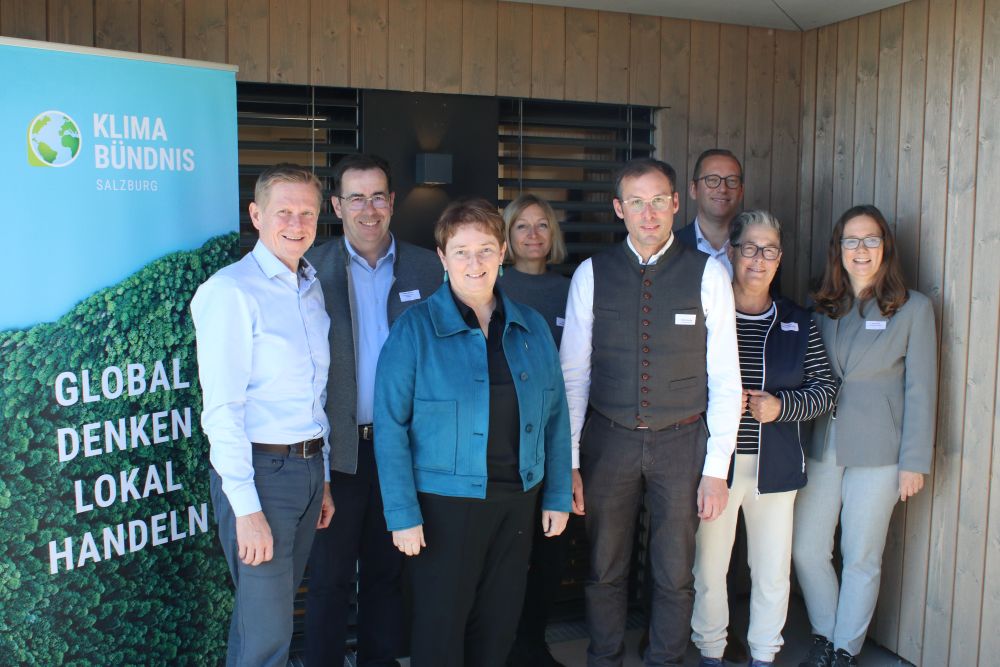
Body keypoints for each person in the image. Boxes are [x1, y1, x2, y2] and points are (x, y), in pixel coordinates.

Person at [374, 198, 572, 667]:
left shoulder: (532, 327)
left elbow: (556, 417)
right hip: (443, 507)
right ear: (442, 258)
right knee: (440, 633)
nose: (474, 262)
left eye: (485, 249)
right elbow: (389, 427)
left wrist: (558, 495)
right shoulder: (414, 330)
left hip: (517, 500)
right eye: (460, 251)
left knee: (498, 628)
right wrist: (402, 513)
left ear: (502, 252)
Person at [560, 157, 742, 667]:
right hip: (609, 440)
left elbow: (727, 379)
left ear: (676, 203)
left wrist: (715, 469)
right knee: (604, 568)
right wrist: (570, 459)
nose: (649, 212)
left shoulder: (709, 274)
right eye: (636, 202)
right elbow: (573, 376)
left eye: (658, 200)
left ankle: (665, 659)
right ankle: (604, 658)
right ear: (619, 208)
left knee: (675, 571)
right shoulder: (590, 274)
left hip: (683, 441)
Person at [191, 163, 335, 667]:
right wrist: (247, 510)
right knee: (268, 633)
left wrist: (325, 477)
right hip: (261, 477)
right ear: (256, 215)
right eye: (284, 212)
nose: (296, 223)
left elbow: (314, 394)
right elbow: (223, 410)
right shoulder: (230, 292)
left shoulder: (311, 288)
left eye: (307, 213)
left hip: (307, 470)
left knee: (264, 622)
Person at [304, 154, 441, 667]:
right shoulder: (311, 268)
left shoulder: (429, 267)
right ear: (337, 205)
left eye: (378, 196)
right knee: (330, 580)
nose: (368, 209)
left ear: (393, 202)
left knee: (388, 578)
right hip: (338, 452)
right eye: (356, 198)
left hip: (403, 450)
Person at [792, 205, 938, 667]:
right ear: (838, 249)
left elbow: (922, 388)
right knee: (808, 547)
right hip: (824, 442)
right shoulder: (822, 307)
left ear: (885, 247)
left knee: (861, 555)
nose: (860, 250)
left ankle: (843, 651)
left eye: (870, 239)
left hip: (881, 450)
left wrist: (914, 460)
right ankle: (826, 631)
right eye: (850, 241)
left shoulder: (913, 308)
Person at [691, 210, 837, 667]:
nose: (759, 259)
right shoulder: (707, 313)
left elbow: (826, 391)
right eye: (750, 248)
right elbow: (680, 381)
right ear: (731, 253)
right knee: (709, 571)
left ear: (779, 259)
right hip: (717, 466)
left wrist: (781, 407)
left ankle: (763, 656)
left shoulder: (797, 320)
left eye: (769, 250)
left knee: (772, 572)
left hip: (775, 467)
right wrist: (709, 402)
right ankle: (711, 653)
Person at [499, 194, 572, 667]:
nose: (532, 235)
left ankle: (533, 642)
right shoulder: (491, 284)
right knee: (506, 552)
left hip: (558, 437)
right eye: (521, 226)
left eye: (541, 225)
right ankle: (501, 645)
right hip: (505, 441)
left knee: (551, 549)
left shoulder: (573, 288)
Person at [675, 148, 745, 278]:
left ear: (741, 192)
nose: (723, 189)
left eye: (732, 181)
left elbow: (772, 298)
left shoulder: (758, 251)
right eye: (712, 180)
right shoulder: (670, 249)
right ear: (693, 189)